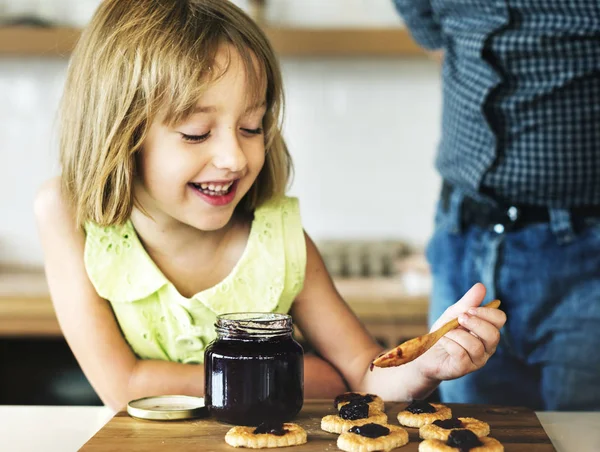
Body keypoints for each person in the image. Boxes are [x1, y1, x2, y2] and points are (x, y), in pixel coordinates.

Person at [34, 0, 505, 412]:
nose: (234, 158)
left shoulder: (280, 244)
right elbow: (123, 387)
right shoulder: (66, 214)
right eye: (197, 133)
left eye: (252, 127)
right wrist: (307, 377)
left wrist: (425, 366)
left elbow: (365, 378)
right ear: (120, 134)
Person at [393, 0, 600, 411]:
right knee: (468, 429)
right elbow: (435, 33)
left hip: (585, 248)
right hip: (463, 235)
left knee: (580, 433)